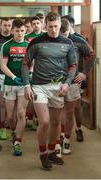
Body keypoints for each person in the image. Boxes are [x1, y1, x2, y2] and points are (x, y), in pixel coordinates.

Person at [22, 12, 77, 170]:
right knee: (44, 121)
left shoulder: (67, 43)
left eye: (56, 26)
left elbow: (73, 65)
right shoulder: (36, 42)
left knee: (55, 122)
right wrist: (27, 85)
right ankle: (43, 154)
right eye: (50, 27)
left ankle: (52, 151)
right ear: (45, 26)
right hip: (39, 86)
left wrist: (67, 83)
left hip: (58, 87)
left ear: (60, 25)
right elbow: (26, 63)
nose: (53, 30)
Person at [59, 18, 94, 155]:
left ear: (69, 29)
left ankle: (77, 129)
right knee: (59, 111)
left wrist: (84, 73)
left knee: (73, 109)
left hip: (74, 81)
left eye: (65, 33)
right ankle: (62, 136)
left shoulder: (78, 40)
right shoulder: (50, 40)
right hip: (57, 81)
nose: (62, 36)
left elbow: (91, 55)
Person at [0, 18, 28, 156]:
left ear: (25, 31)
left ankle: (18, 142)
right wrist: (13, 77)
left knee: (21, 113)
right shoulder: (6, 45)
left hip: (24, 84)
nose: (20, 33)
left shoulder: (29, 45)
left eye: (22, 31)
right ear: (12, 31)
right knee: (11, 117)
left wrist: (28, 77)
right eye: (17, 31)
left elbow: (33, 64)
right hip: (10, 83)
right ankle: (13, 132)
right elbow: (3, 65)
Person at [0, 18, 13, 140]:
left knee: (13, 105)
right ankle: (2, 128)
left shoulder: (15, 39)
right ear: (0, 26)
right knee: (2, 103)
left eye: (9, 25)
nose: (7, 27)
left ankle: (13, 127)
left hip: (13, 75)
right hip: (0, 74)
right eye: (5, 25)